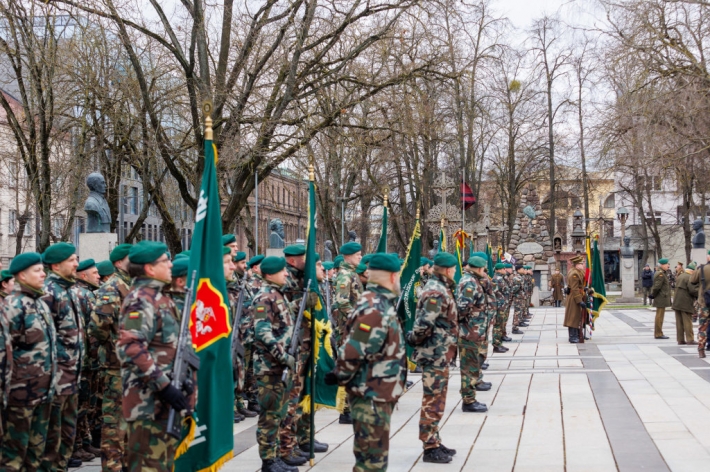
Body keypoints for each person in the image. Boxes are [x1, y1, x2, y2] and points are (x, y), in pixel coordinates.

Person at [117, 241, 197, 472]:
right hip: (147, 402)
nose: (171, 265)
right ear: (150, 268)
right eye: (165, 261)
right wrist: (164, 385)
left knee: (162, 464)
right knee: (147, 465)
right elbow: (131, 347)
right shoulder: (141, 299)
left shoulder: (161, 298)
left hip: (163, 400)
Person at [325, 253, 405, 471]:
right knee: (372, 462)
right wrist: (341, 374)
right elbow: (354, 349)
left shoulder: (377, 303)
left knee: (371, 459)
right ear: (391, 277)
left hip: (376, 391)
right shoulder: (374, 308)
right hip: (370, 393)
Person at [1, 253, 57, 471]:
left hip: (42, 394)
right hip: (19, 397)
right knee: (13, 458)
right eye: (37, 270)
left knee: (35, 456)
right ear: (22, 275)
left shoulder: (40, 304)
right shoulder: (12, 307)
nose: (43, 274)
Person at [406, 252, 458, 464]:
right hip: (434, 353)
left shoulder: (441, 287)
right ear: (447, 270)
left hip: (440, 352)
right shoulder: (436, 291)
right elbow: (424, 324)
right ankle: (429, 446)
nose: (455, 272)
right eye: (454, 269)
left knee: (438, 399)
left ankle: (434, 439)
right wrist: (413, 338)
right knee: (432, 400)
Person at [39, 242, 84, 471]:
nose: (76, 263)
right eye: (72, 260)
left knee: (68, 435)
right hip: (56, 378)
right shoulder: (49, 292)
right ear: (56, 265)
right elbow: (44, 337)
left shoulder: (69, 290)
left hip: (72, 375)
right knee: (52, 439)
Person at [252, 256, 298, 472]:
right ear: (270, 274)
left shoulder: (277, 294)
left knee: (279, 414)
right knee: (269, 416)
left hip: (280, 367)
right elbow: (262, 332)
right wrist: (282, 355)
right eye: (282, 271)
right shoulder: (264, 297)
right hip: (269, 367)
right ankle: (268, 461)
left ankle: (276, 456)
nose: (287, 273)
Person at [90, 243, 132, 471]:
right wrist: (115, 345)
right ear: (118, 263)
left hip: (132, 367)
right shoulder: (112, 288)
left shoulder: (132, 285)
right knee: (114, 424)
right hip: (116, 366)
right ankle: (113, 466)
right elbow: (98, 328)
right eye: (130, 258)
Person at [71, 259, 102, 462]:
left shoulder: (80, 293)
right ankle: (77, 446)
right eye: (94, 273)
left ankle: (83, 444)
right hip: (87, 360)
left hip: (85, 359)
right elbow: (93, 329)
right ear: (84, 276)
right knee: (83, 405)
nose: (98, 276)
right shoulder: (84, 295)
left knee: (85, 405)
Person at [331, 241, 364, 425]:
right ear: (348, 256)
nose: (360, 256)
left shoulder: (351, 274)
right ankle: (345, 410)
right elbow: (342, 302)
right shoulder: (345, 275)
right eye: (357, 254)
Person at [455, 256, 490, 413]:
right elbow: (462, 308)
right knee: (469, 367)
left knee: (472, 365)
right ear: (479, 269)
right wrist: (467, 326)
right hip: (469, 332)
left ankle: (470, 398)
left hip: (473, 331)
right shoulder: (470, 283)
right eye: (483, 269)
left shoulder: (471, 280)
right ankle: (468, 401)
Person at [690, 252, 710, 357]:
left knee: (703, 327)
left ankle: (701, 349)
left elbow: (692, 280)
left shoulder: (702, 269)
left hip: (705, 302)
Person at [672, 262, 697, 345]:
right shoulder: (690, 277)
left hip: (677, 302)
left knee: (679, 322)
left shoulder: (681, 276)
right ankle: (690, 339)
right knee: (687, 321)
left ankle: (680, 339)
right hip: (685, 302)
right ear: (692, 271)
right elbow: (692, 290)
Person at [563, 256, 587, 343]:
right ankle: (572, 337)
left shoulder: (578, 272)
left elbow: (581, 286)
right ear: (577, 265)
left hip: (577, 296)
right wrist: (579, 301)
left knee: (578, 317)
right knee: (573, 317)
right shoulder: (574, 274)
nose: (583, 265)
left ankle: (577, 334)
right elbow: (575, 288)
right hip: (574, 298)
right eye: (581, 264)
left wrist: (586, 290)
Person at [491, 263, 511, 352]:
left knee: (501, 325)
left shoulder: (502, 278)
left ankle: (499, 343)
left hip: (503, 305)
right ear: (498, 270)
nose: (504, 270)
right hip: (499, 306)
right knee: (498, 326)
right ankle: (496, 345)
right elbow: (494, 293)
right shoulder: (496, 279)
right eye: (503, 269)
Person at [651, 258, 671, 340]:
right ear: (662, 265)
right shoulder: (660, 274)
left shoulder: (662, 273)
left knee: (660, 316)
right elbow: (657, 286)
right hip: (661, 297)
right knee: (659, 316)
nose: (668, 266)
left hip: (661, 297)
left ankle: (659, 333)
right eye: (667, 264)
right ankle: (658, 333)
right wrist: (653, 294)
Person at [509, 265, 526, 334]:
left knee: (519, 312)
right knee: (517, 312)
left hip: (520, 297)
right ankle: (515, 328)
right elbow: (515, 288)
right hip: (517, 297)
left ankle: (516, 325)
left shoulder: (520, 277)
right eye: (522, 269)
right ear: (518, 270)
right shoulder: (517, 278)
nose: (523, 270)